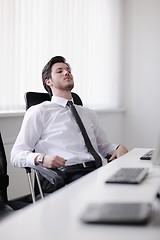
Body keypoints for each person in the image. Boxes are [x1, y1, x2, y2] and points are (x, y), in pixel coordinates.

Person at [10, 56, 128, 192]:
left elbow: (104, 147)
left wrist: (118, 147)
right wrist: (41, 158)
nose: (67, 73)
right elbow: (16, 154)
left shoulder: (88, 113)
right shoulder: (39, 112)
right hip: (69, 175)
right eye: (59, 71)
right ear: (48, 81)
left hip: (99, 170)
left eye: (68, 70)